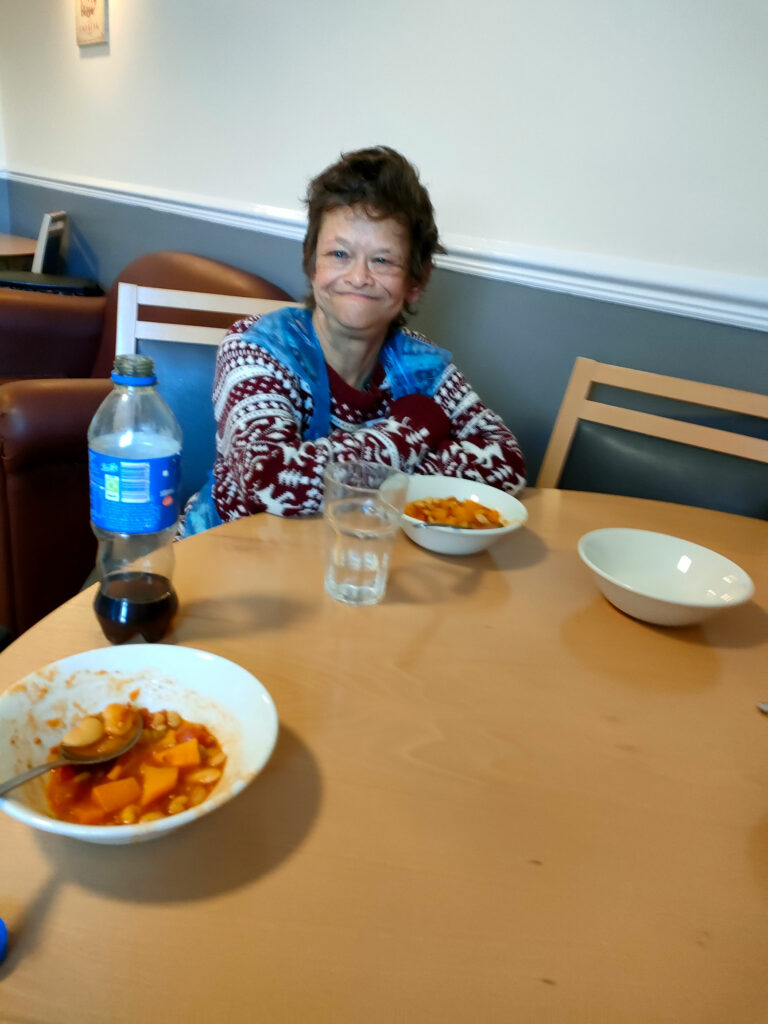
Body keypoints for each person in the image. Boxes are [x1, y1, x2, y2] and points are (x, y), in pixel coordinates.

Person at [182, 145, 526, 535]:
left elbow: (506, 462)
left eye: (382, 260)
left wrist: (346, 468)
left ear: (416, 281)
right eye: (339, 254)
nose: (359, 277)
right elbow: (270, 482)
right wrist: (412, 432)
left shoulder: (423, 368)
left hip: (351, 559)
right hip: (225, 553)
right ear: (312, 265)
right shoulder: (255, 348)